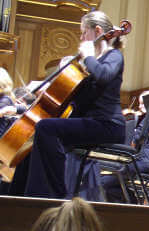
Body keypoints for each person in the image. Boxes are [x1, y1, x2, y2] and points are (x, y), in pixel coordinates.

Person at [12, 10, 126, 199]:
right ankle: (16, 198)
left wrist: (88, 57)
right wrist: (56, 84)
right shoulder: (90, 63)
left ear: (97, 31)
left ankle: (54, 196)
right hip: (91, 123)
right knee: (34, 140)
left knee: (46, 129)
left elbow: (104, 76)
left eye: (83, 33)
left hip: (108, 125)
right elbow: (79, 100)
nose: (81, 38)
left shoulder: (113, 56)